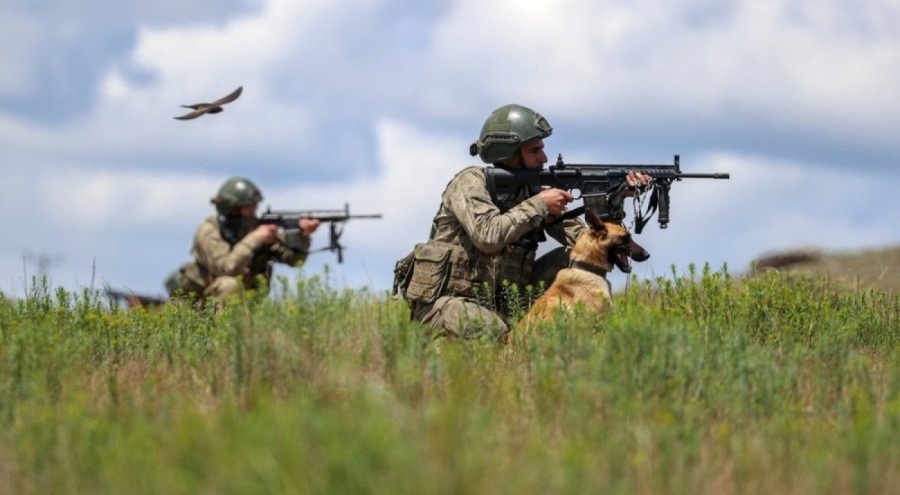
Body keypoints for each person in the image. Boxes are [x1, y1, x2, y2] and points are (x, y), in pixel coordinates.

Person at [393, 103, 648, 341]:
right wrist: (539, 205)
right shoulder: (470, 183)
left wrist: (614, 199)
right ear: (509, 153)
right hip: (446, 304)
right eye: (534, 150)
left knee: (570, 257)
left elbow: (589, 244)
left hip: (502, 305)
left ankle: (589, 332)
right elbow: (487, 236)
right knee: (495, 330)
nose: (544, 158)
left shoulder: (532, 191)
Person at [165, 177, 321, 306]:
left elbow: (294, 261)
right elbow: (226, 267)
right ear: (231, 208)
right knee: (229, 284)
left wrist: (302, 237)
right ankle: (220, 341)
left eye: (254, 206)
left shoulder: (255, 229)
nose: (254, 211)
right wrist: (254, 239)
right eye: (249, 207)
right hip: (197, 308)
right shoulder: (209, 231)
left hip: (243, 306)